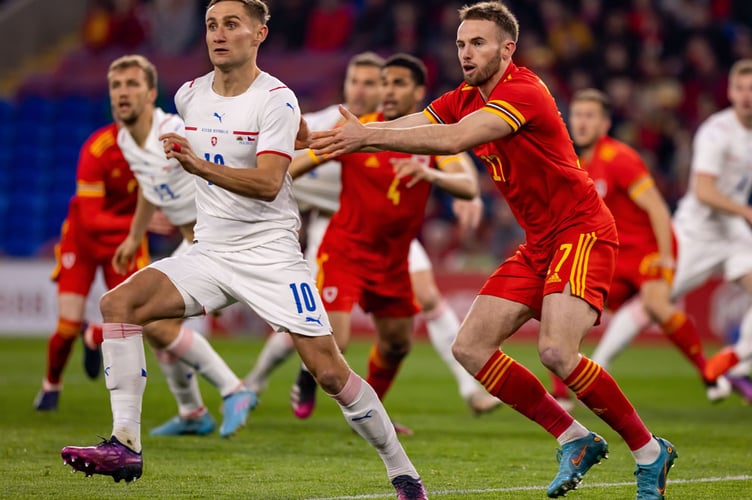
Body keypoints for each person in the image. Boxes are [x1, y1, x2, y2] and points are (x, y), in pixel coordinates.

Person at [60, 2, 427, 498]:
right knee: (117, 305)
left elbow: (269, 183)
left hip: (270, 255)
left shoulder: (274, 97)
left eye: (232, 24)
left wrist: (199, 166)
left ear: (260, 34)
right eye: (212, 24)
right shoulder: (189, 94)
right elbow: (214, 156)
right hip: (210, 252)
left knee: (329, 372)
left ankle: (403, 472)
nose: (218, 34)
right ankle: (126, 444)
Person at [310, 2, 676, 498]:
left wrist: (367, 135)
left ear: (507, 49)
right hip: (540, 243)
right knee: (469, 347)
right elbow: (422, 120)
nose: (465, 52)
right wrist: (342, 137)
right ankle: (574, 437)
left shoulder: (522, 91)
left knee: (555, 352)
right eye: (461, 43)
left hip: (581, 230)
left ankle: (649, 452)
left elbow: (454, 138)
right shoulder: (465, 95)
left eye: (477, 43)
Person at [244, 51, 500, 420]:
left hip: (394, 259)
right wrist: (265, 190)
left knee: (397, 343)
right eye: (385, 83)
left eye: (398, 83)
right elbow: (296, 167)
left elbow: (464, 183)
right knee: (338, 340)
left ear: (418, 92)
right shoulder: (358, 132)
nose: (389, 91)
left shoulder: (430, 137)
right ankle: (306, 376)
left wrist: (430, 175)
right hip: (346, 249)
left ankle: (370, 413)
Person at [107, 53, 255, 437]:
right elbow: (146, 184)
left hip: (226, 239)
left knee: (147, 318)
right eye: (116, 86)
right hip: (196, 243)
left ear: (151, 93)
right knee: (151, 322)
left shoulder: (176, 130)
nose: (123, 93)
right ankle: (193, 413)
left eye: (132, 84)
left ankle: (233, 390)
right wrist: (134, 236)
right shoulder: (125, 138)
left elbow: (227, 161)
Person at [549, 88, 718, 406]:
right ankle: (562, 396)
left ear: (605, 124)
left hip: (646, 250)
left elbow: (656, 207)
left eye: (590, 116)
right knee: (562, 306)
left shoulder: (620, 158)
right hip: (611, 257)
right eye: (578, 115)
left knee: (656, 304)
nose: (582, 123)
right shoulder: (572, 161)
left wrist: (667, 257)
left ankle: (708, 373)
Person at [598, 59, 752, 403]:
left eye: (751, 89)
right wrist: (745, 211)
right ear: (729, 91)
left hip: (733, 234)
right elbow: (703, 190)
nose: (746, 96)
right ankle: (598, 365)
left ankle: (736, 360)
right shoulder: (717, 132)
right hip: (695, 233)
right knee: (652, 303)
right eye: (740, 88)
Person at [33, 116, 148, 411]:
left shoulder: (157, 146)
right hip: (83, 240)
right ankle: (51, 384)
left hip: (124, 242)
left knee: (142, 314)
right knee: (67, 325)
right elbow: (92, 218)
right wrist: (142, 222)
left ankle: (94, 334)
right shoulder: (97, 149)